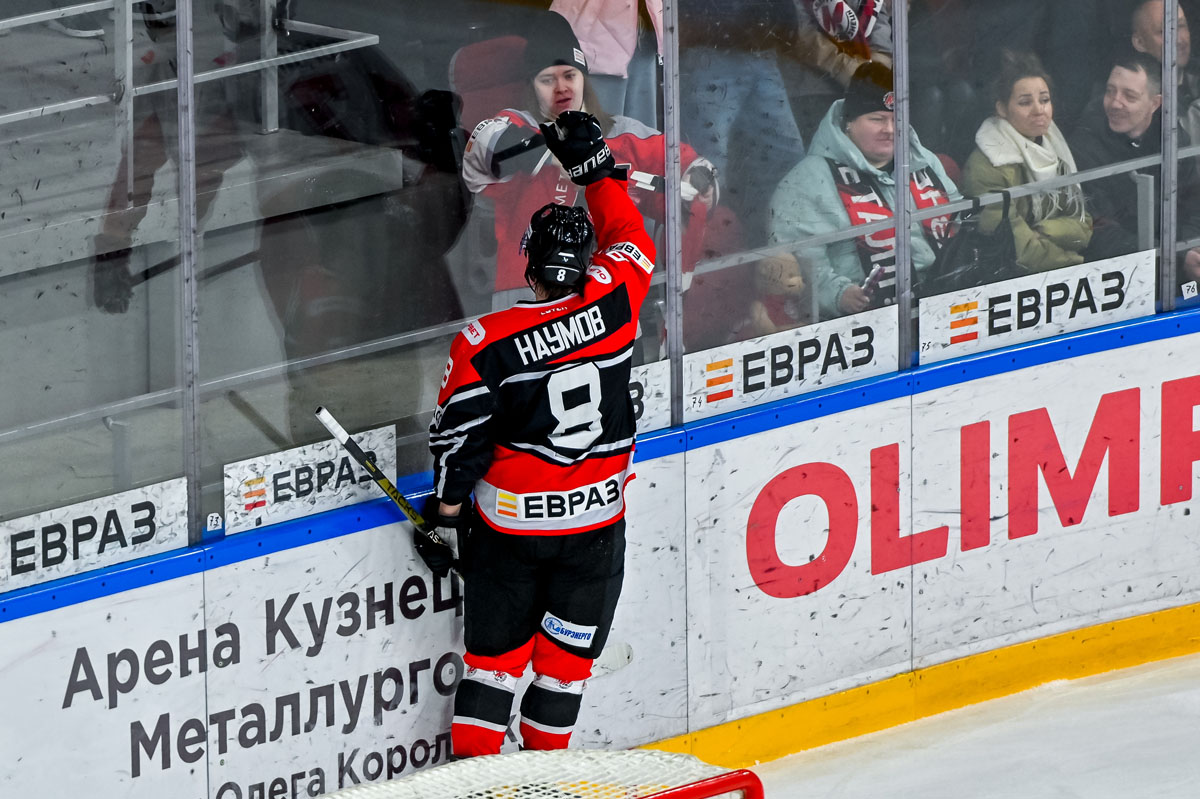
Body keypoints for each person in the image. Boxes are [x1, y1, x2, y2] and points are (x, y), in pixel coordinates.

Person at [424, 110, 653, 758]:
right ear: (586, 265)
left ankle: (478, 788)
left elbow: (458, 442)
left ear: (528, 266)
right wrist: (594, 172)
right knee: (563, 673)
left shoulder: (484, 342)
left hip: (511, 534)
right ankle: (544, 781)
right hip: (595, 533)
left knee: (492, 670)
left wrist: (444, 515)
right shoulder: (617, 298)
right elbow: (631, 237)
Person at [462, 10, 714, 310]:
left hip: (606, 299)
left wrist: (699, 179)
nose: (562, 87)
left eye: (570, 75)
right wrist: (557, 153)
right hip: (527, 300)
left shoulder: (622, 134)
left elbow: (690, 166)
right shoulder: (515, 125)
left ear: (584, 78)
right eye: (547, 79)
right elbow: (484, 149)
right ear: (532, 87)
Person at [768, 62, 959, 320]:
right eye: (877, 119)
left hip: (942, 303)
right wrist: (839, 294)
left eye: (896, 119)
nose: (889, 130)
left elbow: (959, 220)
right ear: (849, 123)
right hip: (856, 321)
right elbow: (794, 264)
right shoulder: (806, 182)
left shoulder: (924, 161)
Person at [960, 51, 1093, 274]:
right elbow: (1018, 251)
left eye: (1045, 100)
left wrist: (1043, 230)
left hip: (1055, 267)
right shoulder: (986, 167)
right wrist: (1077, 262)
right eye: (1025, 102)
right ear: (1002, 109)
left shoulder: (1055, 148)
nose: (1039, 110)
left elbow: (1084, 225)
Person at [1072, 51, 1168, 260]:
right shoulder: (1084, 146)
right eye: (1110, 91)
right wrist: (1170, 255)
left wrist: (1188, 250)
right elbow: (1098, 228)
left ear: (1155, 103)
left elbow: (1191, 202)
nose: (1115, 103)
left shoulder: (1171, 136)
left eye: (1129, 96)